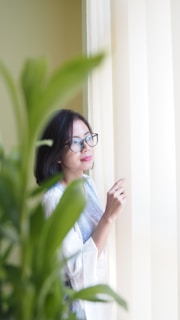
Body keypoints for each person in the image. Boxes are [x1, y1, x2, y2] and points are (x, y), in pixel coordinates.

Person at [34, 109, 126, 320]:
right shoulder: (54, 200)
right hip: (75, 309)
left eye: (88, 137)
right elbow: (77, 271)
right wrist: (108, 217)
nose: (86, 147)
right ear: (57, 154)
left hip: (96, 302)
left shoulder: (87, 183)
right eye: (76, 142)